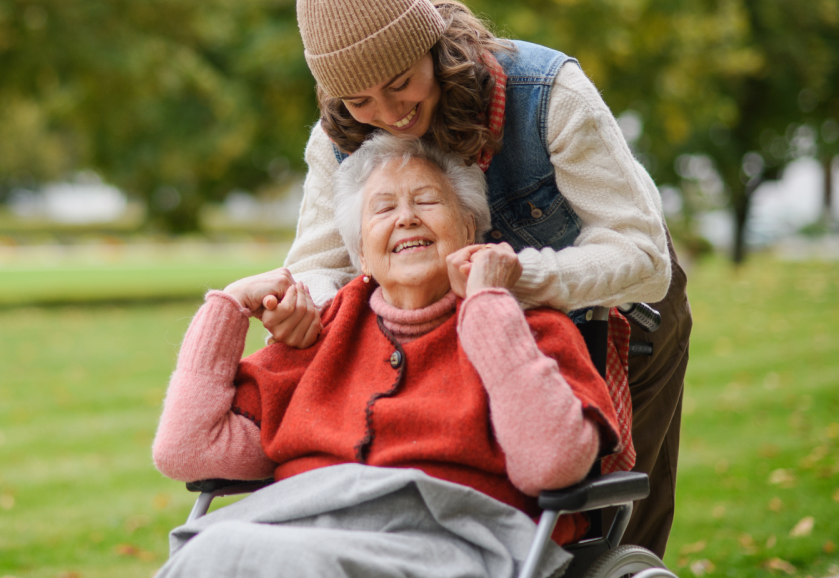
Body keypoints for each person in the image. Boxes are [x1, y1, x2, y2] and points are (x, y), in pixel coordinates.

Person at [250, 0, 690, 557]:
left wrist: (513, 280)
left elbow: (642, 258)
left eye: (400, 84)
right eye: (359, 102)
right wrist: (305, 305)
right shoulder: (339, 138)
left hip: (614, 316)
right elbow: (318, 266)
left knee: (603, 519)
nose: (388, 114)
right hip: (451, 341)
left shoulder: (550, 94)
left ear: (431, 46)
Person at [152, 135, 620, 578]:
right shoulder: (320, 332)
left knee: (233, 553)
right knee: (220, 553)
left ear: (470, 228)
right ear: (362, 256)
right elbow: (187, 451)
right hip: (294, 530)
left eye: (427, 200)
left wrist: (488, 307)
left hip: (447, 543)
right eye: (383, 208)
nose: (407, 218)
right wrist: (228, 306)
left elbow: (553, 465)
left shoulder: (528, 328)